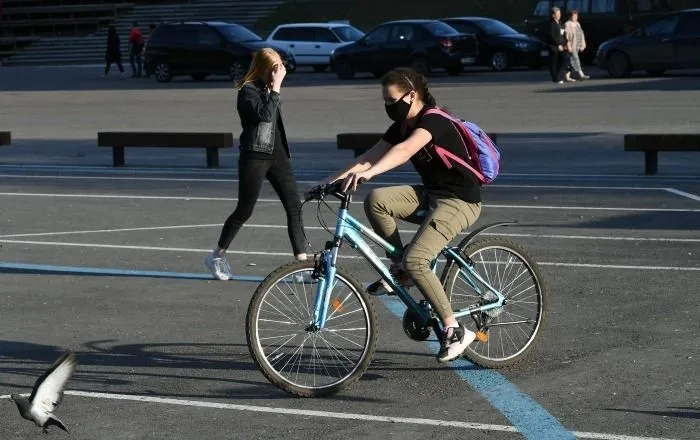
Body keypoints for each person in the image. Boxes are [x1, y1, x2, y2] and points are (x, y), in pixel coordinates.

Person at [318, 67, 482, 363]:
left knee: (418, 259)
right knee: (378, 200)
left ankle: (454, 329)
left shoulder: (433, 120)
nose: (389, 107)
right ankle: (402, 270)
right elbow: (367, 157)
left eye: (393, 100)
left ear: (412, 95)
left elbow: (405, 151)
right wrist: (326, 182)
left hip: (459, 201)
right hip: (431, 194)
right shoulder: (401, 125)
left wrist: (370, 174)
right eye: (385, 101)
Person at [205, 48, 310, 282]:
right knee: (245, 210)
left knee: (295, 207)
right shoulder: (247, 92)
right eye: (273, 68)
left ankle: (301, 264)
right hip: (255, 156)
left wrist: (274, 87)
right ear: (262, 69)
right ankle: (217, 255)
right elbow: (264, 115)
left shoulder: (266, 88)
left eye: (279, 68)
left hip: (279, 156)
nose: (277, 73)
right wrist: (276, 87)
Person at [565, 9, 590, 80]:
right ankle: (581, 75)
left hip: (577, 45)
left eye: (576, 16)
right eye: (574, 16)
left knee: (571, 61)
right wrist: (568, 46)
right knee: (576, 59)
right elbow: (565, 36)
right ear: (570, 17)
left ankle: (567, 76)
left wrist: (583, 44)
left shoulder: (578, 24)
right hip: (571, 45)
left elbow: (582, 34)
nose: (576, 17)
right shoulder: (567, 24)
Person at [547, 6, 566, 83]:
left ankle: (557, 75)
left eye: (560, 13)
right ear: (553, 15)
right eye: (557, 14)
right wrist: (558, 45)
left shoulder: (560, 23)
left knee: (564, 59)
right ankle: (555, 78)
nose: (559, 15)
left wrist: (564, 43)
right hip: (554, 47)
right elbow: (552, 36)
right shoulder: (552, 24)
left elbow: (563, 34)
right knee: (554, 62)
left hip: (561, 46)